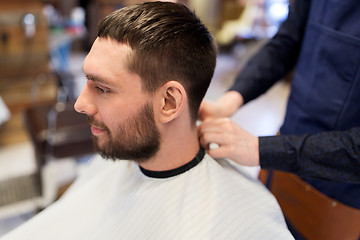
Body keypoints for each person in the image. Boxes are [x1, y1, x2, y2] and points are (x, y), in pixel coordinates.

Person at [1, 2, 293, 239]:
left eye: (101, 88)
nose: (79, 104)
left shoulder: (245, 222)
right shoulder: (122, 154)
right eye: (87, 81)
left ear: (168, 103)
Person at [198, 0, 360, 239]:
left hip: (342, 191)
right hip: (287, 151)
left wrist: (260, 149)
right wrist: (230, 101)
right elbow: (286, 41)